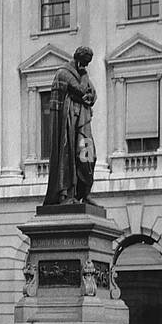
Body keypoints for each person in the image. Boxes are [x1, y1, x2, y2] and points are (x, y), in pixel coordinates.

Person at [44, 46, 98, 206]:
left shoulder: (80, 74)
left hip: (84, 124)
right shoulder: (64, 73)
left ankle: (84, 193)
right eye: (85, 62)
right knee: (72, 158)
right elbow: (82, 90)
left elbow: (93, 95)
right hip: (70, 127)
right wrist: (85, 76)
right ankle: (67, 194)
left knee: (89, 157)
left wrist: (87, 94)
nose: (86, 66)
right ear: (78, 59)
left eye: (88, 64)